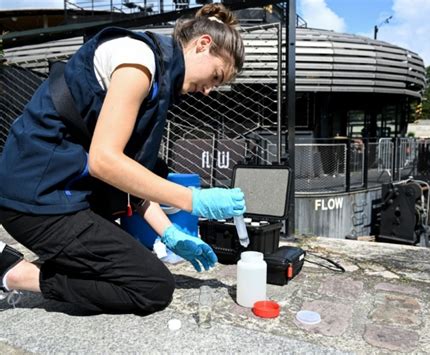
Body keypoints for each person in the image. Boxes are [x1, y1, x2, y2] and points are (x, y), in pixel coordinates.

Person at [0, 3, 246, 314]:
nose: (210, 90)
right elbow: (104, 161)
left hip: (55, 192)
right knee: (152, 287)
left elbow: (126, 174)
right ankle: (14, 273)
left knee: (124, 264)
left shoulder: (158, 78)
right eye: (216, 75)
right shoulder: (138, 62)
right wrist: (192, 200)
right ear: (203, 45)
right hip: (35, 200)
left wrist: (169, 233)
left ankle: (55, 260)